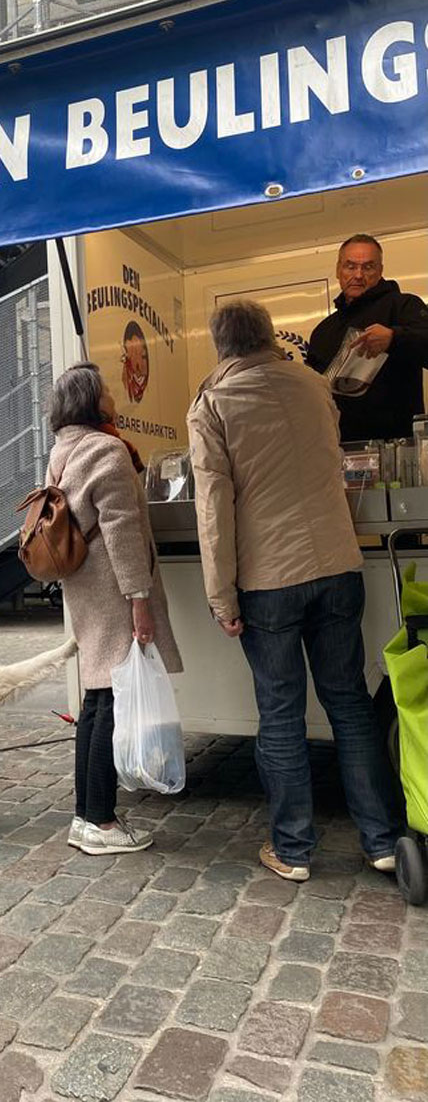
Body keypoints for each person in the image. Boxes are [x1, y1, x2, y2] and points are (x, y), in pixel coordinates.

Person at [188, 300, 401, 882]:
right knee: (350, 705)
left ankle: (293, 849)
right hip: (337, 563)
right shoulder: (313, 385)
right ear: (266, 336)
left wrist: (220, 596)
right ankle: (382, 840)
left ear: (221, 346)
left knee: (280, 714)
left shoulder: (213, 404)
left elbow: (213, 508)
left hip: (269, 579)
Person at [47, 362, 182, 855]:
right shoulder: (106, 449)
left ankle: (85, 816)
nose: (113, 394)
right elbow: (123, 532)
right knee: (109, 703)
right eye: (107, 388)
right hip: (112, 587)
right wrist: (139, 602)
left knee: (95, 700)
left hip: (84, 587)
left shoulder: (64, 449)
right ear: (92, 400)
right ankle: (100, 822)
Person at [307, 234, 428, 441]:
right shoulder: (323, 331)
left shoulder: (404, 306)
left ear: (380, 270)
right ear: (338, 270)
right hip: (338, 448)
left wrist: (394, 338)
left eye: (368, 267)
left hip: (397, 446)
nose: (359, 275)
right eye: (350, 266)